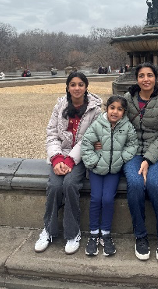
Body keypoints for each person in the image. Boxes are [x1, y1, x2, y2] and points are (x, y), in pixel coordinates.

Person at [34, 71, 102, 255]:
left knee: (71, 184)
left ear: (86, 87)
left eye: (81, 84)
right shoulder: (60, 106)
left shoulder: (95, 110)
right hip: (59, 155)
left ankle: (73, 233)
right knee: (55, 187)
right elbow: (52, 134)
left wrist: (71, 159)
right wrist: (56, 159)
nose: (77, 88)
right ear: (68, 87)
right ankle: (48, 229)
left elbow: (90, 138)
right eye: (73, 84)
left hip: (81, 156)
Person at [123, 62, 158, 262]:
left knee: (154, 183)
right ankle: (141, 235)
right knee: (135, 184)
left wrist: (147, 159)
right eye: (142, 76)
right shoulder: (128, 100)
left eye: (150, 75)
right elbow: (115, 123)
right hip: (133, 152)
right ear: (137, 79)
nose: (146, 79)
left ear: (155, 78)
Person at [81, 95, 138, 256]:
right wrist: (93, 162)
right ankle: (93, 233)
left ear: (124, 112)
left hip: (114, 170)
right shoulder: (97, 124)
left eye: (120, 109)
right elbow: (86, 145)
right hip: (97, 170)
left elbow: (133, 144)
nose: (115, 112)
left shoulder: (126, 126)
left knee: (107, 199)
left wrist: (122, 158)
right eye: (112, 107)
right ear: (107, 108)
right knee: (95, 199)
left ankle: (105, 233)